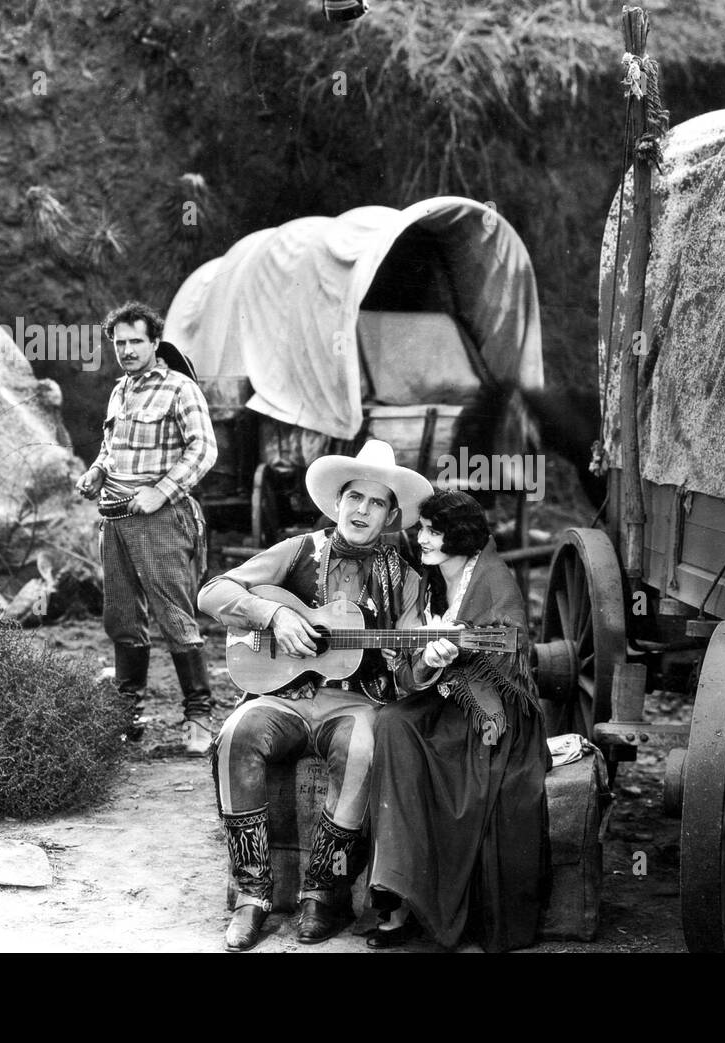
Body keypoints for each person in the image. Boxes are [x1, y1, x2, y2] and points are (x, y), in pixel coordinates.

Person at [198, 439, 438, 951]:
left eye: (377, 503)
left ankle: (322, 894)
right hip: (283, 697)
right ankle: (252, 894)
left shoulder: (408, 581)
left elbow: (410, 672)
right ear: (338, 502)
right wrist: (275, 615)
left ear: (391, 515)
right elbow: (212, 592)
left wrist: (429, 659)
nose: (362, 510)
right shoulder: (298, 550)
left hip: (354, 703)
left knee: (362, 749)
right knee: (237, 733)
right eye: (355, 497)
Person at [366, 489, 551, 952]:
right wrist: (428, 659)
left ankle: (424, 903)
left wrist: (459, 649)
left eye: (433, 531)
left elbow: (512, 652)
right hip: (445, 697)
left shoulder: (492, 579)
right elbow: (408, 669)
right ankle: (396, 893)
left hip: (490, 711)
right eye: (422, 529)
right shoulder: (426, 582)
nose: (422, 538)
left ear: (461, 537)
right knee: (392, 723)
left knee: (440, 751)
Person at [76, 301, 218, 755]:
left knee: (175, 615)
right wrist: (96, 471)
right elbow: (111, 447)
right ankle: (127, 716)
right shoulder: (120, 391)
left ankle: (198, 717)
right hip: (115, 517)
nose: (127, 350)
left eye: (136, 341)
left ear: (155, 342)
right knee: (120, 617)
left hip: (160, 516)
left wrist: (163, 490)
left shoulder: (180, 389)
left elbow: (203, 449)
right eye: (119, 343)